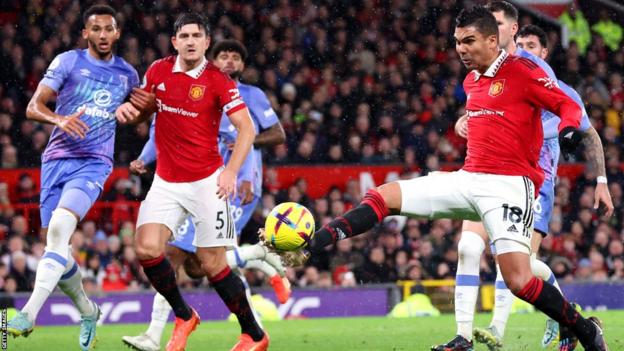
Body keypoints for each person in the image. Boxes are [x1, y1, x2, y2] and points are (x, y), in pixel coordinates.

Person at [271, 6, 608, 351]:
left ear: (493, 41)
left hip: (509, 186)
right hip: (469, 178)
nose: (461, 49)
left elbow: (569, 107)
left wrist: (567, 131)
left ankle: (583, 329)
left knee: (520, 280)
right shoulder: (471, 80)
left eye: (469, 41)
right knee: (385, 196)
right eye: (457, 42)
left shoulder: (523, 72)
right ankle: (313, 244)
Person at [434, 3, 614, 350]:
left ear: (510, 30)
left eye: (499, 24)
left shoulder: (537, 75)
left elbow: (586, 130)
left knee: (521, 267)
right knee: (469, 246)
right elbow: (484, 110)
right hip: (486, 175)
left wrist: (602, 182)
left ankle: (559, 319)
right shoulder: (482, 75)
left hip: (531, 180)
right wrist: (463, 122)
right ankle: (465, 336)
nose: (492, 30)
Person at [121, 39, 288, 351]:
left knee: (190, 258)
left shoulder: (251, 95)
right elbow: (161, 127)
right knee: (201, 265)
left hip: (233, 185)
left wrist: (243, 171)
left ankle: (159, 334)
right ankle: (258, 275)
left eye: (235, 57)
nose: (228, 61)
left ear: (242, 65)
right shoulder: (194, 87)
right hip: (192, 182)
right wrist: (145, 158)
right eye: (223, 56)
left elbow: (265, 134)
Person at [6, 5, 139, 351]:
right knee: (56, 247)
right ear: (86, 33)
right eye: (96, 29)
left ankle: (28, 314)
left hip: (94, 162)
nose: (103, 35)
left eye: (109, 29)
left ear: (117, 33)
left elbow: (142, 112)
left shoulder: (128, 75)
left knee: (61, 229)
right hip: (56, 160)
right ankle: (88, 310)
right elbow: (33, 107)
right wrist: (60, 120)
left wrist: (134, 113)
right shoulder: (68, 61)